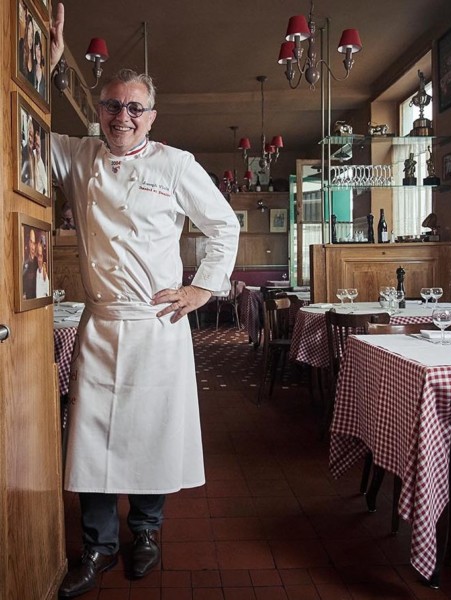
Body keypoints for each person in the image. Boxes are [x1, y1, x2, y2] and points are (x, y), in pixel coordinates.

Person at [49, 4, 240, 598]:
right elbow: (23, 125)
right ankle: (99, 546)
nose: (122, 116)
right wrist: (48, 66)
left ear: (151, 116)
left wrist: (201, 288)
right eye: (111, 106)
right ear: (99, 111)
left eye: (134, 108)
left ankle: (148, 532)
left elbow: (224, 227)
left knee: (154, 434)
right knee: (92, 439)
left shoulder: (176, 164)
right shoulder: (78, 157)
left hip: (158, 323)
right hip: (102, 321)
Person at [22, 227, 37, 299]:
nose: (33, 247)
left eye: (34, 243)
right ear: (27, 243)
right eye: (31, 242)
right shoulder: (25, 263)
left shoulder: (38, 262)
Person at [34, 29, 46, 98]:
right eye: (35, 49)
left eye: (38, 49)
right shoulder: (31, 72)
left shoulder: (44, 79)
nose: (37, 54)